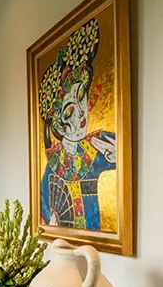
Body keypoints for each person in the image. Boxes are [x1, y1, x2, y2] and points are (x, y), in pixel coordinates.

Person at [38, 18, 116, 231]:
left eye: (81, 97)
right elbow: (44, 206)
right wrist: (52, 221)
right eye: (70, 111)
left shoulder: (99, 144)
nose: (81, 112)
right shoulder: (54, 166)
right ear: (59, 127)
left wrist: (117, 156)